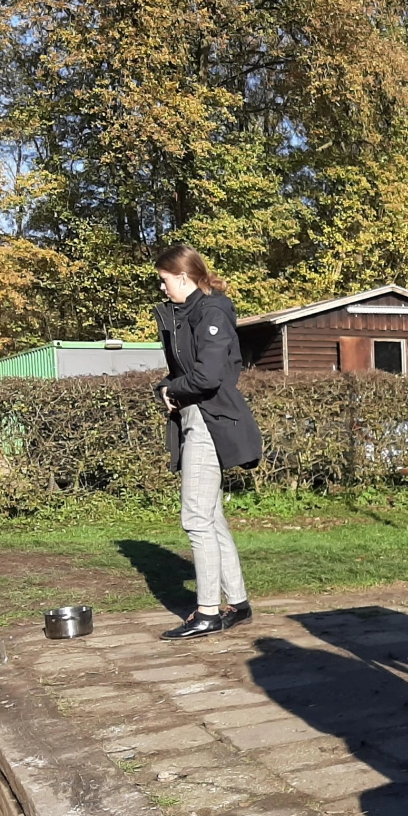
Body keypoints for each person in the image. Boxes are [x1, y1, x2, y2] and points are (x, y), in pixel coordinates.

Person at [153, 243, 264, 640]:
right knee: (211, 515)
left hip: (207, 418)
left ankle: (207, 611)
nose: (162, 288)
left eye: (165, 281)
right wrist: (170, 390)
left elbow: (209, 375)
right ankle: (237, 602)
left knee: (195, 517)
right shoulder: (185, 314)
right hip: (194, 415)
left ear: (182, 277)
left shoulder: (211, 311)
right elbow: (188, 372)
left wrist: (171, 389)